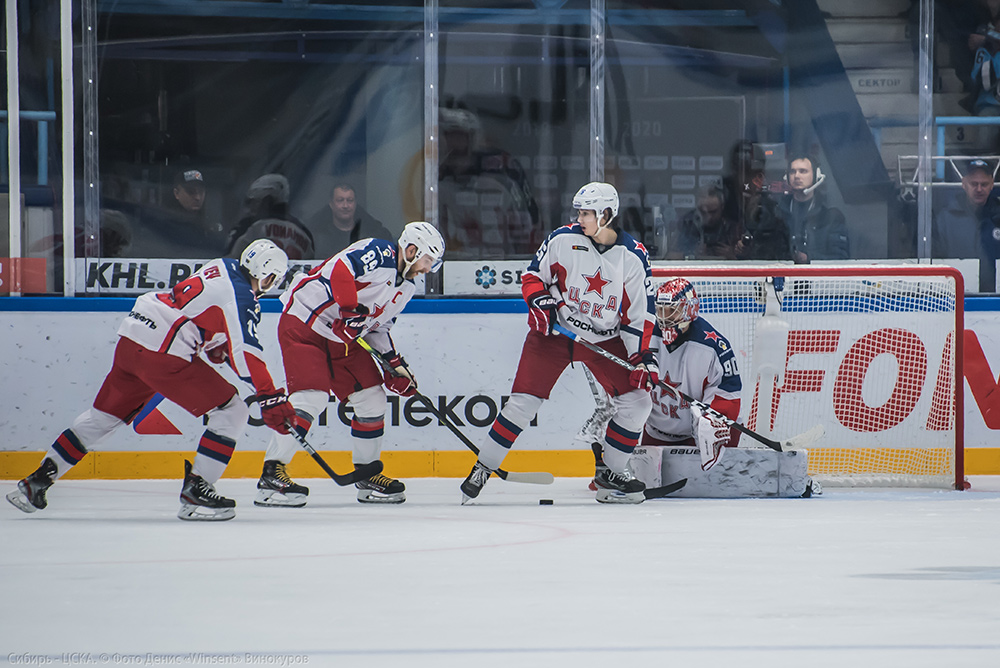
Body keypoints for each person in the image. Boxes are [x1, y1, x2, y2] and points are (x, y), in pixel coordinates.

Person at [6, 240, 296, 521]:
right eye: (273, 278)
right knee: (232, 410)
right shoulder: (243, 296)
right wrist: (270, 396)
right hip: (164, 351)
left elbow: (200, 312)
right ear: (267, 274)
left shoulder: (223, 265)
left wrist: (215, 345)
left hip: (134, 337)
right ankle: (198, 488)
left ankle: (38, 480)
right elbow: (247, 350)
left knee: (104, 417)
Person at [458, 182, 657, 505]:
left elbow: (640, 313)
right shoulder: (563, 239)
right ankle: (483, 467)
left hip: (604, 340)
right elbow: (533, 277)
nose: (580, 219)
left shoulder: (632, 256)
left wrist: (642, 357)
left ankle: (613, 474)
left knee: (638, 402)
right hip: (555, 334)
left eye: (587, 213)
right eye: (579, 212)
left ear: (606, 215)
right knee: (522, 405)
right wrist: (539, 303)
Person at [253, 221, 446, 507]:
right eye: (428, 260)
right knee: (311, 397)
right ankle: (271, 475)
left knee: (373, 398)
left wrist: (395, 366)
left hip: (342, 337)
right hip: (305, 321)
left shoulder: (406, 288)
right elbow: (341, 269)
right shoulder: (379, 251)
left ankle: (366, 476)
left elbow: (378, 329)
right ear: (412, 249)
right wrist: (348, 311)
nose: (428, 269)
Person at [934, 158, 1000, 291]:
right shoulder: (945, 218)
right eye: (974, 184)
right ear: (964, 184)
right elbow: (936, 259)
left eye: (984, 184)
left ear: (992, 184)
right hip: (957, 296)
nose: (979, 189)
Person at [225, 174, 315, 260]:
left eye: (254, 201)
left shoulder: (250, 228)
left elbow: (228, 262)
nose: (250, 207)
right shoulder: (304, 232)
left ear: (267, 200)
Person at [779, 155, 850, 263]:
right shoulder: (777, 212)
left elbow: (840, 257)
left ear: (816, 176)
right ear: (787, 177)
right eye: (792, 172)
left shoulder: (830, 217)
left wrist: (808, 258)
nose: (797, 176)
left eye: (803, 171)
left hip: (818, 278)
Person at [307, 183, 394, 258]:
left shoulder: (374, 235)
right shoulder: (316, 238)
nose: (345, 205)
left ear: (355, 203)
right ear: (331, 204)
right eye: (340, 200)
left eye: (350, 200)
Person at [666, 184, 743, 260]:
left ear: (722, 206)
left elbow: (749, 261)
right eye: (703, 212)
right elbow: (670, 257)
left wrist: (731, 255)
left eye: (713, 212)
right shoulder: (688, 224)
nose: (709, 217)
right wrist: (691, 254)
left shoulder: (734, 228)